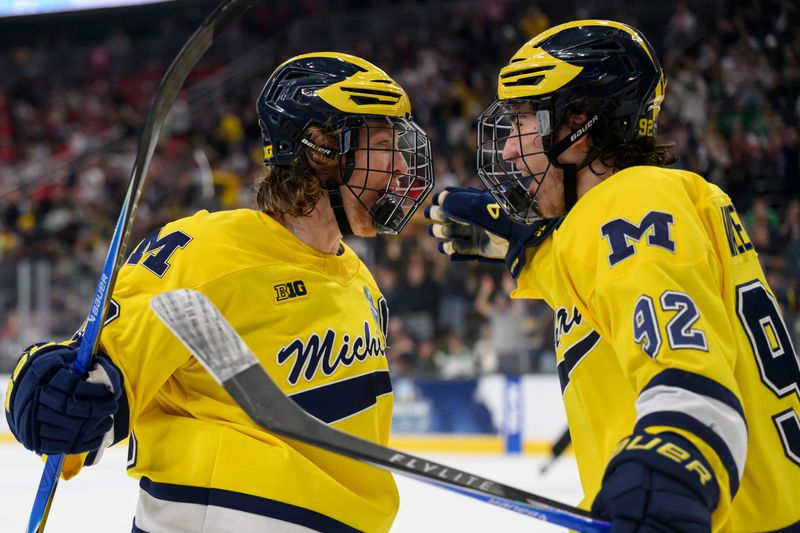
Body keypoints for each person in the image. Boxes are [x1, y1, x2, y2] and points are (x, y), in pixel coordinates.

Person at [5, 52, 433, 532]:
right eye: (380, 145)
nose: (399, 168)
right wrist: (46, 388)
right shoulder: (206, 254)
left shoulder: (363, 285)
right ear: (320, 148)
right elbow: (94, 381)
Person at [428, 20, 800, 531]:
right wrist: (525, 247)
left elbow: (691, 385)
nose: (510, 149)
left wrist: (662, 487)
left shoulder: (628, 203)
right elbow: (609, 286)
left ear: (578, 128)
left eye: (522, 122)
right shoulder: (647, 205)